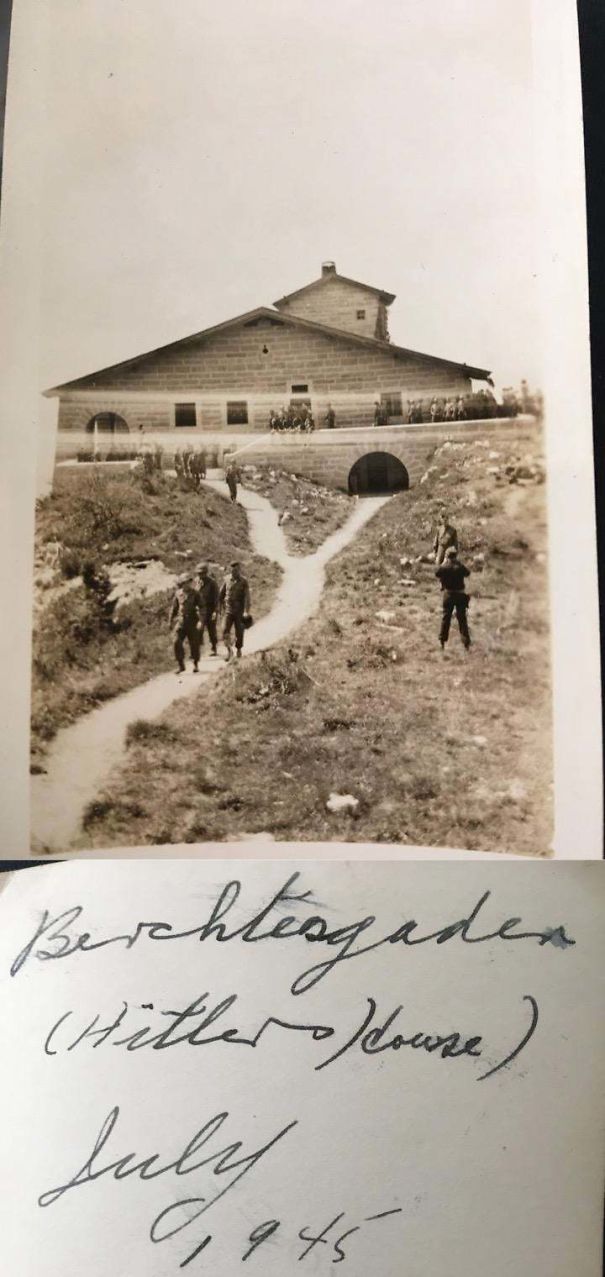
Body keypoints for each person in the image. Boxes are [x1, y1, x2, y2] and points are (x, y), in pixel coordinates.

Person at [436, 546, 471, 650]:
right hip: (460, 595)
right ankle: (466, 644)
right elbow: (468, 573)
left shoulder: (444, 567)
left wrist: (443, 563)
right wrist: (459, 563)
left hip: (448, 594)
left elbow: (437, 573)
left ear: (447, 556)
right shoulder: (459, 566)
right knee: (462, 619)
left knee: (446, 618)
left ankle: (442, 642)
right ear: (456, 556)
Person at [219, 561, 251, 661]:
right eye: (232, 570)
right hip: (228, 610)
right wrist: (219, 608)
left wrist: (246, 611)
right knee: (224, 630)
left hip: (239, 611)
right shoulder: (226, 579)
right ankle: (229, 650)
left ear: (239, 570)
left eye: (236, 570)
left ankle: (238, 649)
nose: (234, 572)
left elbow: (247, 597)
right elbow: (221, 595)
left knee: (239, 632)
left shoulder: (243, 581)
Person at [169, 575, 202, 673]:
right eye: (184, 582)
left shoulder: (195, 594)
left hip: (192, 622)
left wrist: (201, 620)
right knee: (176, 641)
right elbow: (174, 608)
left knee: (194, 644)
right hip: (181, 622)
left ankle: (195, 664)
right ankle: (181, 665)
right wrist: (170, 621)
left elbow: (202, 607)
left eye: (188, 582)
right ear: (182, 584)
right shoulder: (178, 594)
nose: (187, 584)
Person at [194, 562, 219, 656]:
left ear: (206, 572)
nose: (200, 575)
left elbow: (217, 598)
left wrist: (215, 611)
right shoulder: (196, 582)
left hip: (210, 609)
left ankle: (214, 648)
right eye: (199, 573)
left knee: (211, 629)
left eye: (202, 573)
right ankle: (198, 650)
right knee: (198, 630)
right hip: (200, 610)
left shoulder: (212, 583)